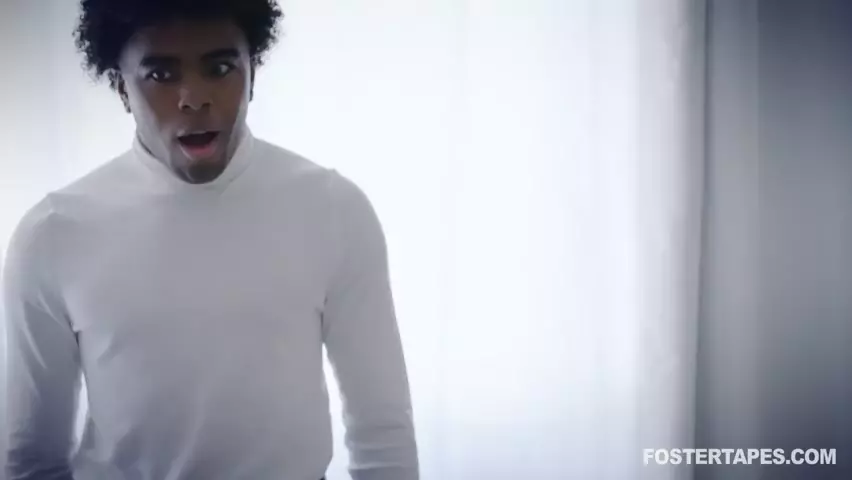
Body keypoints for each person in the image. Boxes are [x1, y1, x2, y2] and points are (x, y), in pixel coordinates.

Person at [2, 1, 419, 479]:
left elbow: (382, 431)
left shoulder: (334, 210)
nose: (193, 98)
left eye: (219, 68)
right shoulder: (52, 234)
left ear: (252, 74)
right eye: (160, 75)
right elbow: (30, 458)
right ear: (121, 88)